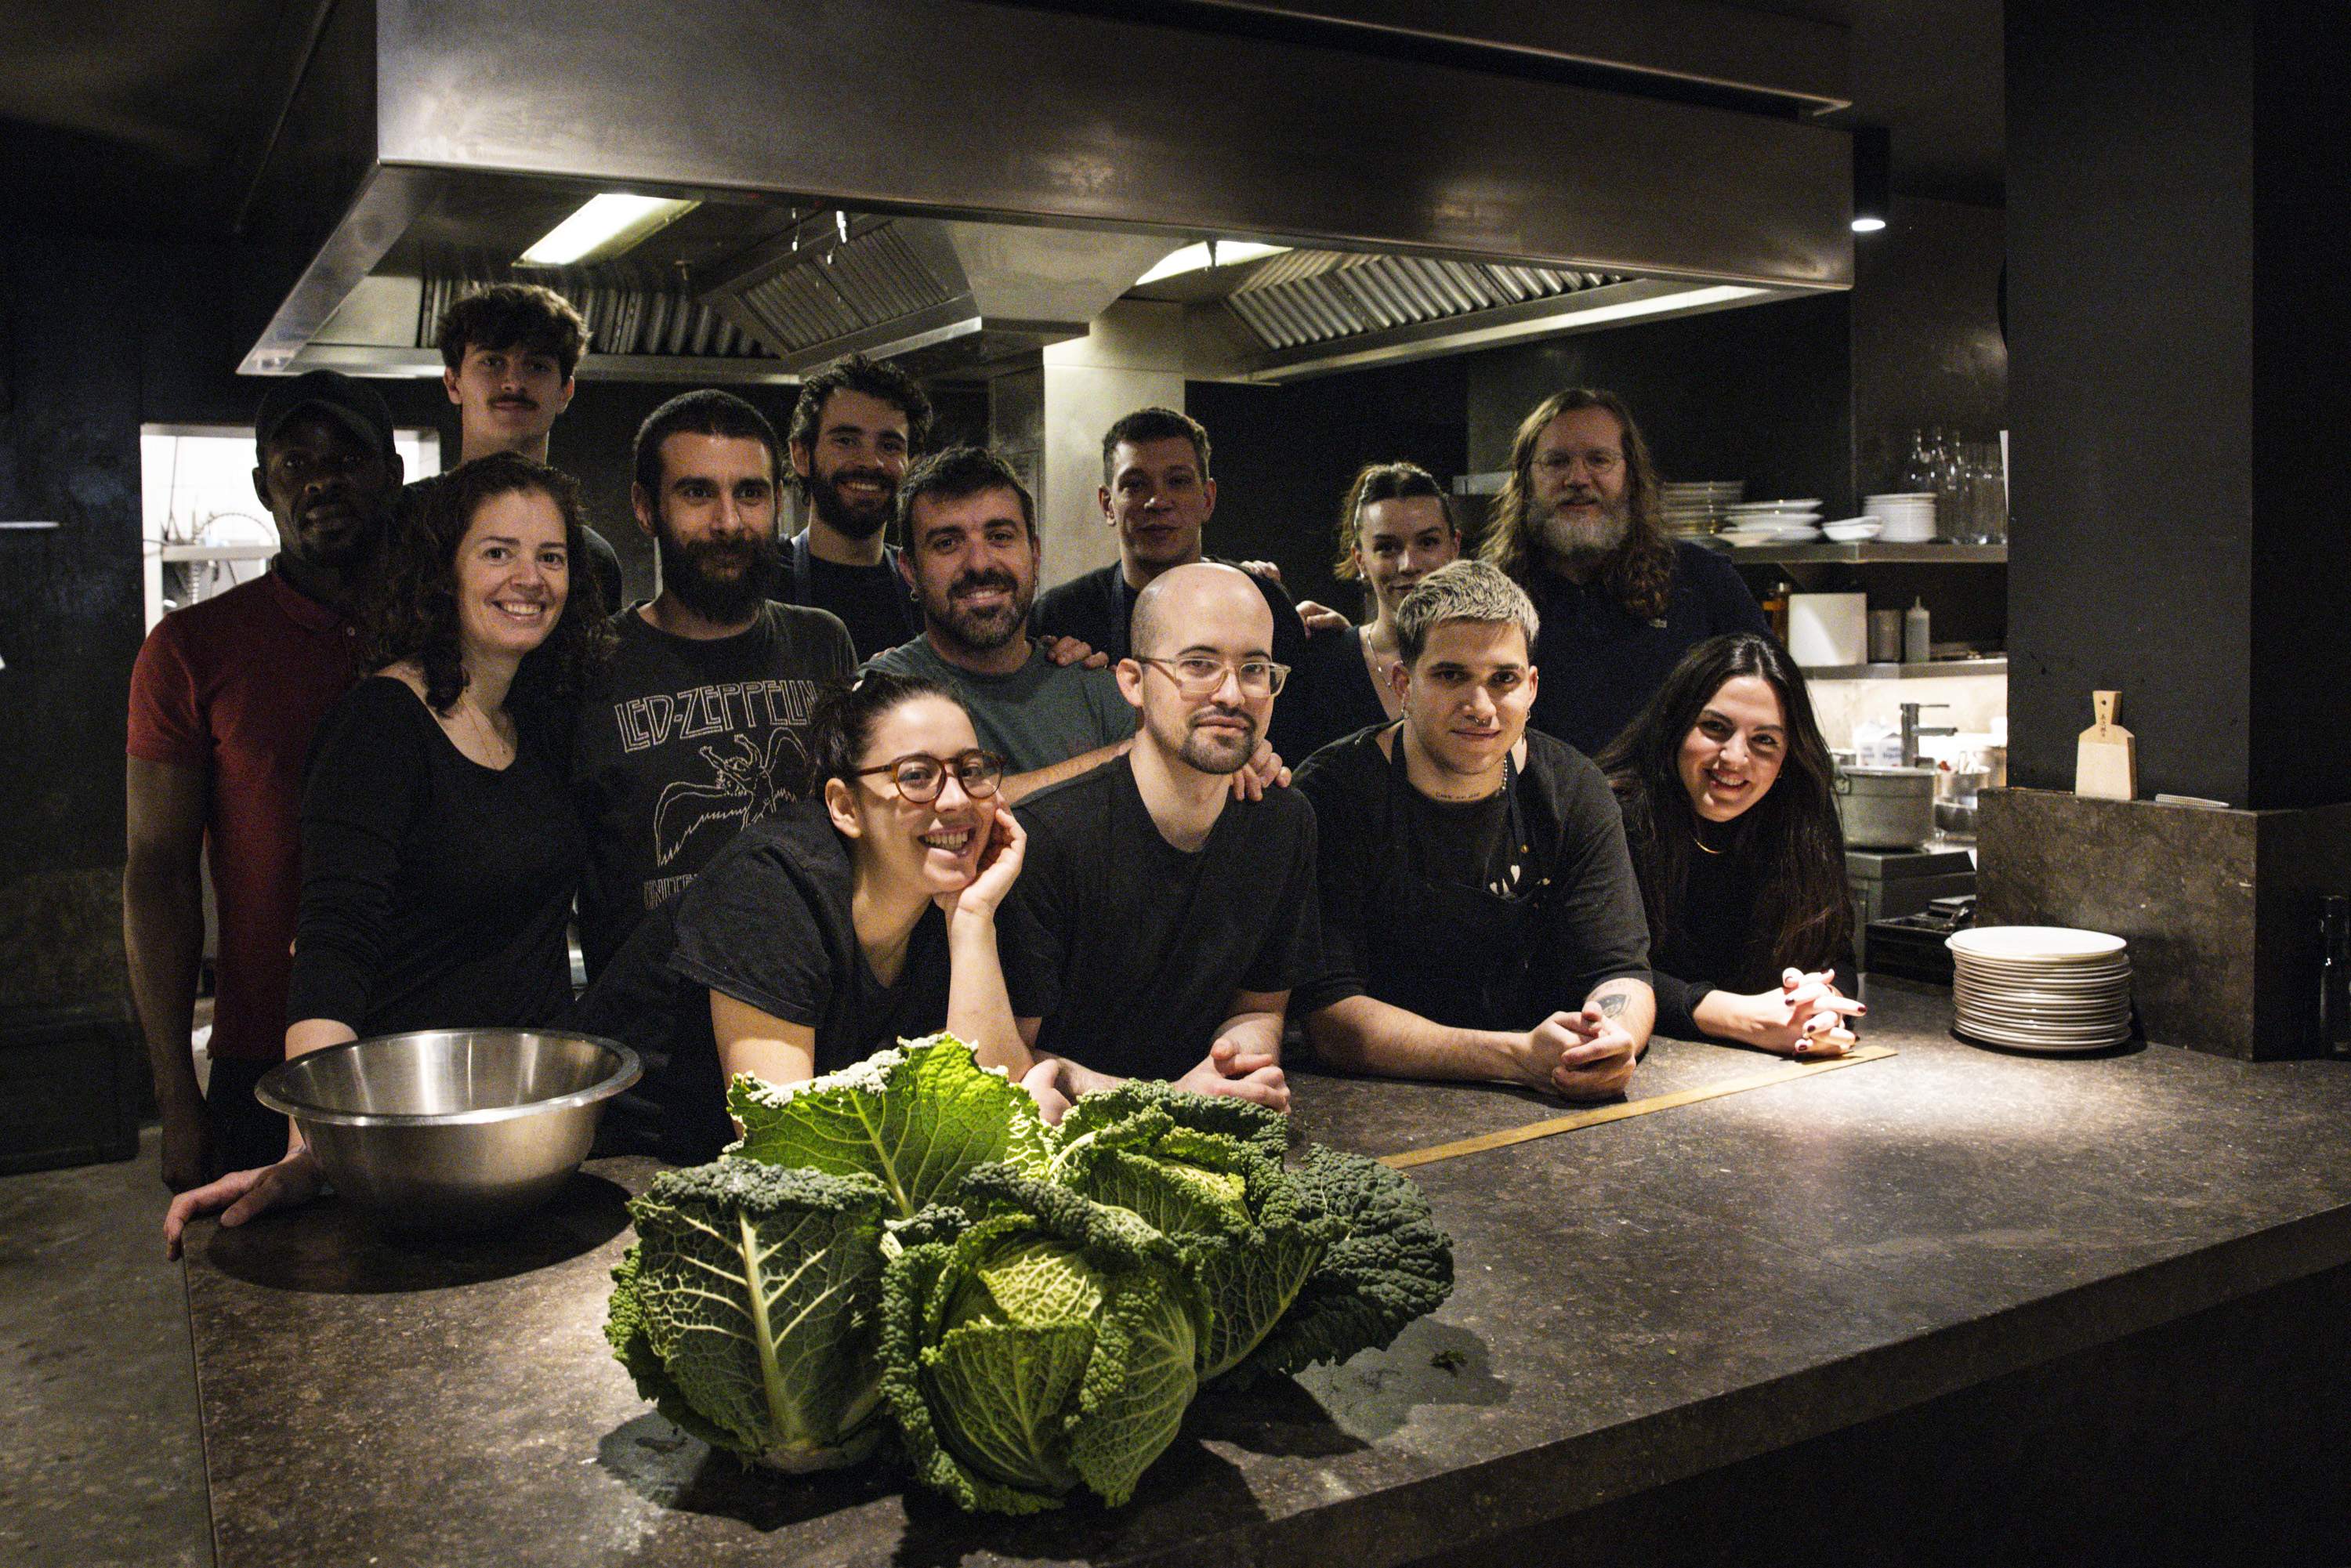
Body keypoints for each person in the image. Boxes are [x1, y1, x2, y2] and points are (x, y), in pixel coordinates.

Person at [163, 453, 613, 1254]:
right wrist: (314, 1145)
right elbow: (333, 943)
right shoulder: (382, 723)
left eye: (551, 556)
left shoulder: (534, 718)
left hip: (527, 1136)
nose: (530, 578)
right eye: (497, 552)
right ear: (443, 572)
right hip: (416, 1147)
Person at [126, 371, 406, 1190]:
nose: (320, 479)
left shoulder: (451, 631)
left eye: (346, 456)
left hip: (435, 1035)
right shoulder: (191, 649)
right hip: (266, 1052)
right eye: (294, 463)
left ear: (390, 473)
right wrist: (177, 1096)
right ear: (263, 486)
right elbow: (156, 876)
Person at [569, 671, 1034, 1162]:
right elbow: (784, 1143)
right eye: (916, 775)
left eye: (972, 770)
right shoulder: (768, 885)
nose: (958, 798)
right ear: (844, 806)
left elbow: (1000, 1106)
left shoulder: (961, 891)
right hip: (614, 1177)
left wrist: (973, 918)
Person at [1298, 562, 1654, 1099]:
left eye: (1503, 679)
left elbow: (1620, 968)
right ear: (1403, 684)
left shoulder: (1574, 788)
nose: (1480, 706)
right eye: (1450, 675)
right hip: (1372, 1100)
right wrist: (1516, 1058)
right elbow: (1330, 1018)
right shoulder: (1333, 792)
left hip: (1539, 1100)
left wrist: (1609, 1041)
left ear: (1532, 687)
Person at [999, 563, 1320, 1121]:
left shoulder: (1283, 822)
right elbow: (1005, 1060)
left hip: (1208, 1136)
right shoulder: (1047, 838)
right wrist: (1171, 1099)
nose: (1231, 693)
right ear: (1132, 681)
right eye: (1198, 665)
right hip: (1066, 1145)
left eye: (1254, 668)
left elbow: (1261, 1007)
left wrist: (1235, 1071)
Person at [571, 389, 856, 980]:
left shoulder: (822, 643)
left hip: (811, 1006)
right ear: (646, 508)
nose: (728, 522)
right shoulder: (589, 663)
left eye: (749, 493)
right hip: (653, 1037)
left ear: (777, 501)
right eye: (697, 492)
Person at [1598, 632, 1863, 1056]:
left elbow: (1832, 951)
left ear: (1788, 757)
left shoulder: (1802, 813)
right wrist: (1741, 1018)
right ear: (1676, 728)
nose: (1735, 758)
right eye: (1715, 728)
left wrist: (1821, 1011)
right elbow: (1591, 967)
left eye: (1764, 741)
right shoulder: (1610, 812)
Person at [1482, 389, 1770, 755]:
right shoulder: (1490, 593)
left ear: (1631, 475)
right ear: (1526, 480)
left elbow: (1772, 702)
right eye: (1556, 462)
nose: (1578, 479)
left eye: (1599, 460)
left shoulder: (1702, 581)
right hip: (1529, 812)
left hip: (1665, 812)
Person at [1031, 407, 1316, 759]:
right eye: (1135, 485)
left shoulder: (1262, 603)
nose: (1157, 501)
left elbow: (1298, 742)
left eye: (1178, 481)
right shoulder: (1062, 616)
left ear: (1207, 499)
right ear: (1108, 505)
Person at [864, 446, 1136, 801]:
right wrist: (1118, 760)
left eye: (1000, 537)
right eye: (947, 543)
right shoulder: (881, 694)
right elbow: (930, 809)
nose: (979, 563)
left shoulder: (1097, 691)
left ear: (1035, 554)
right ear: (910, 571)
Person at [421, 282, 626, 610]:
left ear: (565, 392)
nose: (513, 383)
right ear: (453, 382)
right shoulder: (402, 527)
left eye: (536, 366)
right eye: (492, 362)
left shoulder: (590, 559)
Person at [1284, 461, 1465, 760]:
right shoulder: (1320, 667)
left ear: (1454, 546)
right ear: (1360, 559)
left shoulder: (1492, 665)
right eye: (1387, 548)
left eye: (1428, 542)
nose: (1409, 564)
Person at [781, 352, 931, 660]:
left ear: (911, 465)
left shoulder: (927, 586)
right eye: (846, 441)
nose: (870, 462)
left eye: (889, 446)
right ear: (801, 455)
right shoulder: (759, 581)